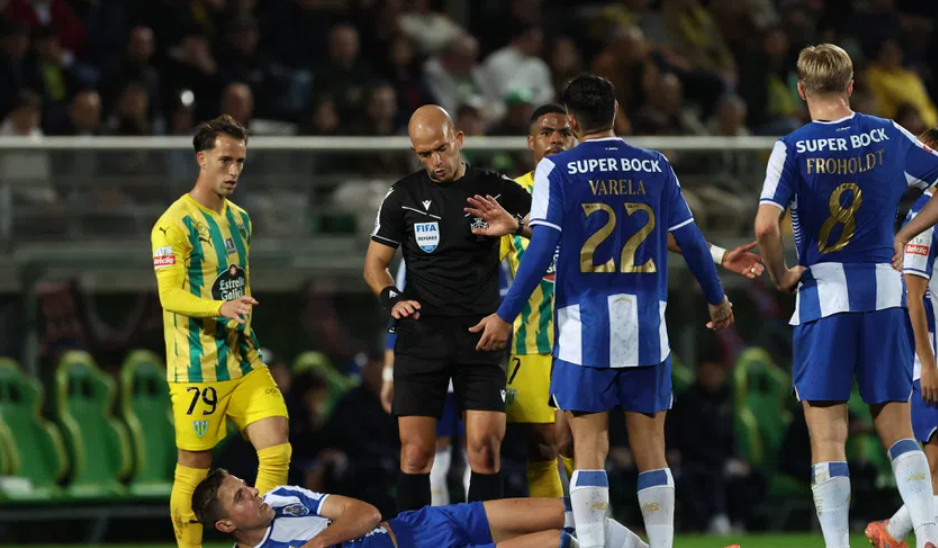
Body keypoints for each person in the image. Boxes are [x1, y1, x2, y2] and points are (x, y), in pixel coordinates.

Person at [469, 75, 735, 548]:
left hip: (583, 331)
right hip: (647, 329)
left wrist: (506, 313)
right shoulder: (656, 166)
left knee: (589, 453)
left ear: (571, 122)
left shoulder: (559, 170)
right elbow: (690, 241)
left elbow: (544, 245)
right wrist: (716, 298)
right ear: (615, 112)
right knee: (653, 452)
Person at [499, 104, 765, 499]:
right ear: (531, 141)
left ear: (575, 134)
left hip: (587, 334)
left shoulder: (583, 178)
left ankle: (582, 534)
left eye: (562, 133)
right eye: (546, 132)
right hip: (535, 343)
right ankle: (563, 534)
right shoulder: (511, 194)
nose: (555, 140)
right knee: (550, 446)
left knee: (585, 446)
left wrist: (719, 255)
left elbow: (668, 235)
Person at [754, 44, 938, 548]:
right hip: (883, 291)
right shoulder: (887, 132)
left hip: (823, 296)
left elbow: (765, 226)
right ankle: (928, 537)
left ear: (801, 89)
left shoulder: (791, 147)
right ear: (851, 85)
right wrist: (904, 234)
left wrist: (780, 274)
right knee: (898, 431)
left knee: (827, 437)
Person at [363, 105, 533, 512]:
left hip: (482, 337)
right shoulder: (402, 196)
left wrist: (514, 225)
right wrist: (393, 299)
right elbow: (374, 266)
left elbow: (552, 233)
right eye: (424, 154)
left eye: (441, 149)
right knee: (417, 455)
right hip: (422, 339)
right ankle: (417, 541)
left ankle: (480, 542)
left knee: (485, 451)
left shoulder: (497, 188)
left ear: (458, 138)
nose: (435, 162)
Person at [151, 115, 291, 548]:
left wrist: (238, 309)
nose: (233, 171)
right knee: (193, 472)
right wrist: (220, 306)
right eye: (225, 160)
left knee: (277, 448)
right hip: (198, 371)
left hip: (244, 361)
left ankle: (258, 543)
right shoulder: (172, 225)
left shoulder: (241, 221)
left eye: (240, 162)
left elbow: (235, 282)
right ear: (201, 159)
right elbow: (169, 296)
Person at [191, 468, 652, 548]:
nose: (253, 493)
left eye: (244, 485)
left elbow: (366, 513)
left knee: (566, 511)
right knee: (559, 542)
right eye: (240, 497)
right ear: (227, 524)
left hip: (414, 525)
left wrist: (317, 543)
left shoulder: (282, 498)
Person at [868, 127, 938, 548]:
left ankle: (891, 532)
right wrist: (927, 364)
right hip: (926, 358)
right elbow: (913, 295)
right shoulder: (922, 222)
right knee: (933, 464)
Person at [382, 259, 469, 506]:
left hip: (474, 363)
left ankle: (478, 530)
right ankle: (436, 532)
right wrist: (389, 374)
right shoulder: (415, 251)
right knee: (426, 451)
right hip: (428, 365)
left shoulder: (491, 243)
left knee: (480, 448)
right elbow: (397, 312)